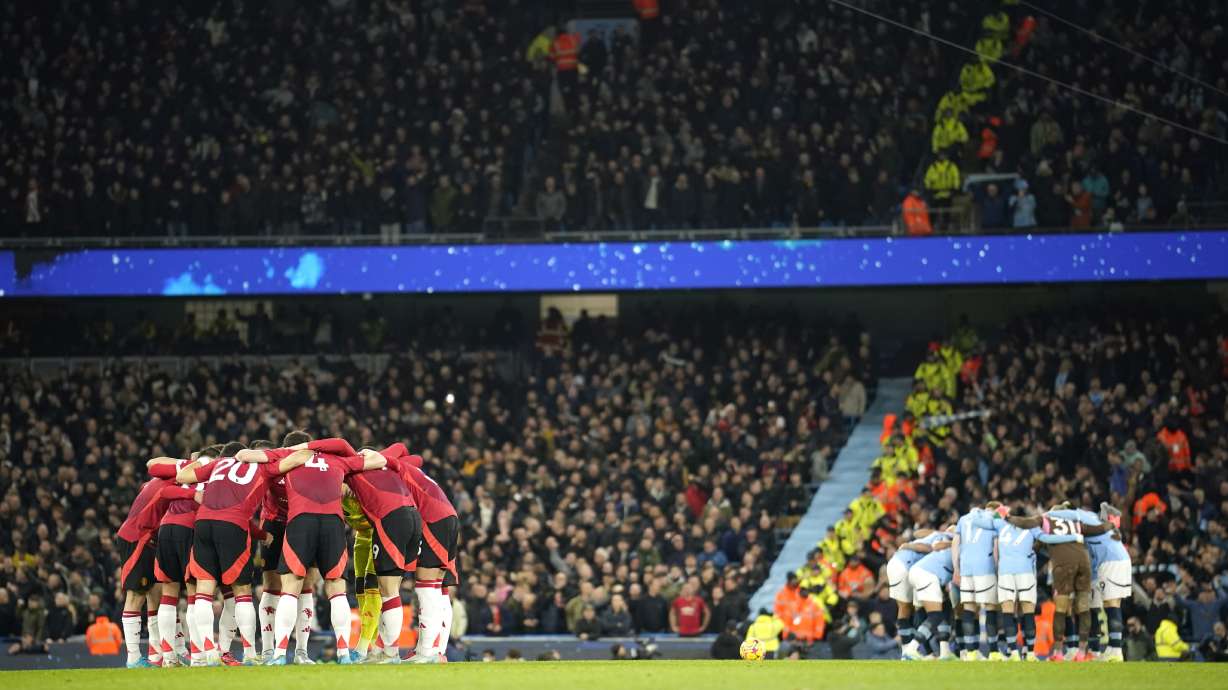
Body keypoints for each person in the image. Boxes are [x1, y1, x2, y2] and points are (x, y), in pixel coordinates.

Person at [235, 433, 385, 665]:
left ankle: (278, 654)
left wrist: (294, 453)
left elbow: (243, 454)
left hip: (300, 522)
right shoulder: (338, 460)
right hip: (331, 523)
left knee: (289, 587)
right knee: (336, 588)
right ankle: (344, 654)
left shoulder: (289, 455)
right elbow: (379, 460)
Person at [176, 442, 313, 665]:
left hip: (203, 522)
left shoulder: (218, 464)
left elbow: (183, 477)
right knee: (242, 591)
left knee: (204, 589)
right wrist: (272, 454)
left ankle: (208, 652)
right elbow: (299, 457)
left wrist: (200, 460)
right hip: (233, 525)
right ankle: (250, 654)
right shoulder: (264, 468)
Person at [115, 458, 202, 667]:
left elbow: (152, 466)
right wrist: (194, 493)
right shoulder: (172, 483)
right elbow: (157, 477)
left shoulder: (162, 479)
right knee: (136, 595)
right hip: (138, 537)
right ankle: (134, 657)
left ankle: (159, 653)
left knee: (159, 593)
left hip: (151, 538)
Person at [380, 444, 460, 663]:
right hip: (448, 516)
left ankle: (427, 651)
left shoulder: (395, 470)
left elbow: (398, 450)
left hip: (433, 519)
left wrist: (370, 457)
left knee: (426, 586)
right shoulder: (412, 470)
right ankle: (437, 651)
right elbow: (415, 456)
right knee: (439, 588)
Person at [970, 506, 1080, 660]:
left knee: (1008, 612)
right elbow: (1047, 539)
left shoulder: (1001, 524)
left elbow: (977, 522)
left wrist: (991, 513)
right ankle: (1029, 653)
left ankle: (1014, 652)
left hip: (1006, 573)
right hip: (1026, 573)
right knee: (1028, 613)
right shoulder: (1032, 526)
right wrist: (1072, 537)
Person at [347, 443, 423, 664]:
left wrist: (374, 458)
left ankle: (391, 653)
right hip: (412, 516)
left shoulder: (355, 471)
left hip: (391, 519)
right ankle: (381, 649)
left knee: (387, 591)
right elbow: (414, 457)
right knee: (391, 590)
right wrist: (384, 458)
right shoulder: (387, 469)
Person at [148, 446, 220, 666]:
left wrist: (186, 462)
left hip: (166, 528)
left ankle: (169, 658)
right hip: (189, 529)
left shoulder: (184, 468)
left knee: (168, 594)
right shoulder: (218, 471)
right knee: (195, 593)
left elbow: (153, 467)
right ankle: (198, 656)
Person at [888, 528, 951, 659]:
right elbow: (927, 547)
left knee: (910, 608)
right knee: (912, 609)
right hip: (906, 565)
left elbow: (917, 533)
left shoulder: (936, 534)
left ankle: (917, 652)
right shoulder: (943, 538)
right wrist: (910, 545)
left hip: (903, 565)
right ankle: (910, 650)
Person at [952, 503, 1002, 660]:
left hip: (966, 568)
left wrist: (956, 569)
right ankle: (994, 652)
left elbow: (955, 544)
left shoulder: (964, 519)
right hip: (985, 568)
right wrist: (997, 569)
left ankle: (971, 652)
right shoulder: (994, 520)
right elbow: (995, 547)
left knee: (968, 609)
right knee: (990, 608)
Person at [907, 525, 957, 659]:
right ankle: (912, 648)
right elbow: (936, 545)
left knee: (943, 610)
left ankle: (945, 652)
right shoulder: (953, 541)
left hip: (921, 573)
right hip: (927, 575)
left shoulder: (950, 542)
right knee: (935, 615)